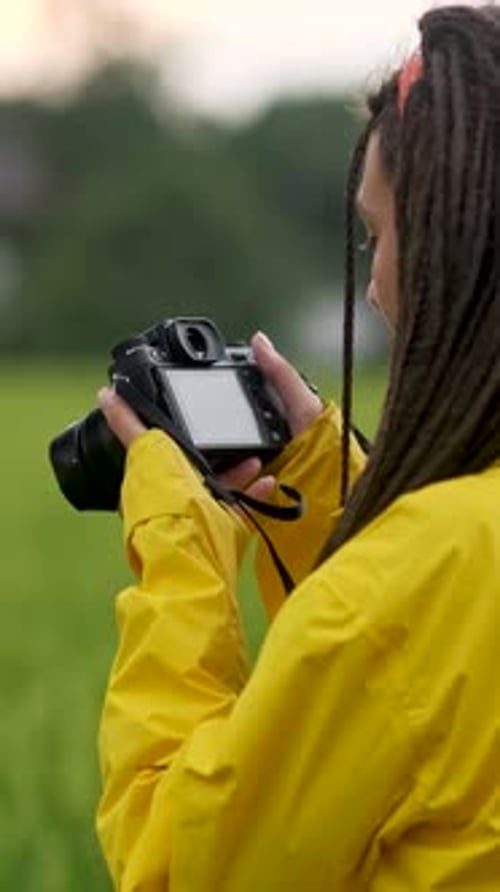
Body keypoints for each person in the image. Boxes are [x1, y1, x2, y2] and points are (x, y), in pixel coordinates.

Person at [95, 5, 500, 890]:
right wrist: (327, 485)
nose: (381, 284)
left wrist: (181, 549)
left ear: (447, 251)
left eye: (378, 234)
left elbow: (179, 871)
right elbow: (435, 691)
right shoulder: (440, 565)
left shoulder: (398, 594)